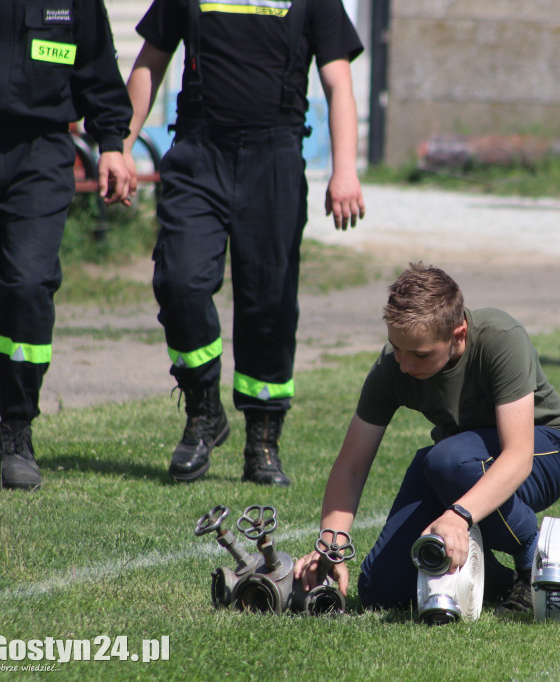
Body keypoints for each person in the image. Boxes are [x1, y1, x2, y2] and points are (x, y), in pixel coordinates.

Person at [122, 0, 366, 486]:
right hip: (198, 152)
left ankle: (263, 441)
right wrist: (122, 145)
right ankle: (204, 412)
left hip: (273, 155)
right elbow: (150, 61)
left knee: (269, 304)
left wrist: (345, 169)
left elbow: (338, 83)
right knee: (179, 281)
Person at [294, 263, 560, 616]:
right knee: (381, 589)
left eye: (420, 354)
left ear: (459, 333)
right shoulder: (393, 366)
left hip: (547, 449)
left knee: (448, 460)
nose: (404, 364)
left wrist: (458, 516)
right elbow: (352, 465)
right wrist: (330, 546)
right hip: (459, 462)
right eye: (396, 348)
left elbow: (518, 455)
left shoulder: (500, 337)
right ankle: (497, 581)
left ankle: (532, 560)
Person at [0, 0, 133, 489]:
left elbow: (98, 69)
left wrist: (111, 143)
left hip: (41, 152)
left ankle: (15, 430)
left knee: (27, 283)